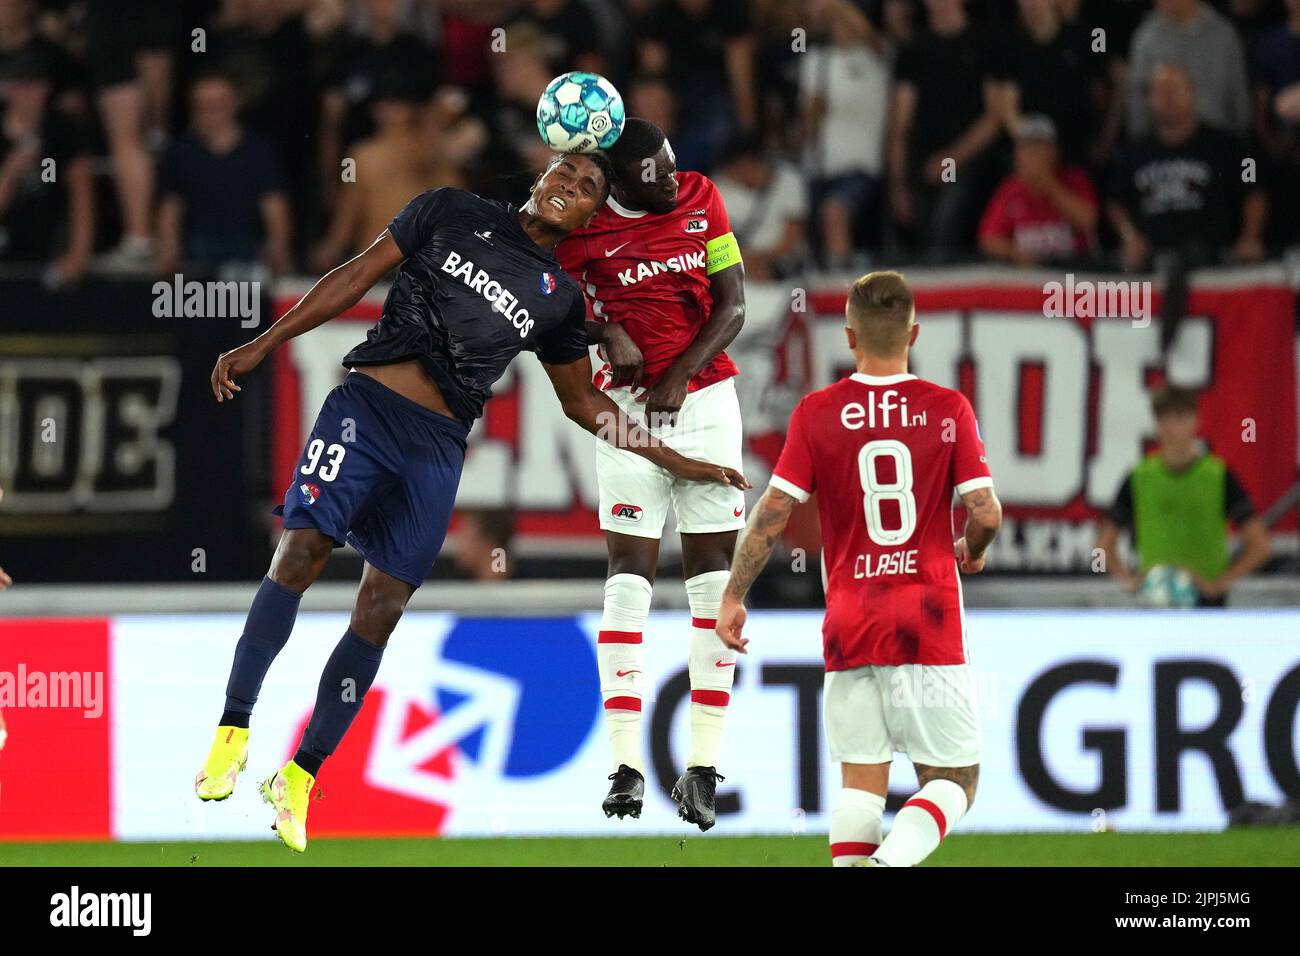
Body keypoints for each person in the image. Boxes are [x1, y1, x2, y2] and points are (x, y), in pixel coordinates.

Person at [193, 152, 748, 853]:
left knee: (380, 611)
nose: (567, 189)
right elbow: (357, 274)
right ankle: (232, 730)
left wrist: (676, 459)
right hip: (365, 412)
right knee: (300, 553)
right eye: (563, 173)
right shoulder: (450, 210)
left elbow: (583, 404)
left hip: (437, 450)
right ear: (540, 176)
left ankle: (299, 777)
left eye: (586, 189)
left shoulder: (558, 299)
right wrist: (265, 342)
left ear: (587, 216)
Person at [715, 270, 1003, 868]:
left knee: (860, 786)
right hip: (925, 617)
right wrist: (972, 548)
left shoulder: (818, 413)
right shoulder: (946, 409)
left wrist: (732, 596)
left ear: (850, 337)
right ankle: (885, 865)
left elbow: (771, 516)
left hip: (849, 617)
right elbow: (985, 510)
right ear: (913, 333)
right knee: (956, 780)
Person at [554, 118, 747, 831]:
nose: (672, 177)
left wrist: (681, 375)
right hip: (625, 418)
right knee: (627, 585)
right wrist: (604, 331)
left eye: (672, 164)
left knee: (711, 585)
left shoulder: (702, 198)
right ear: (625, 181)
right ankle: (626, 767)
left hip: (705, 401)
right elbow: (550, 319)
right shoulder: (580, 233)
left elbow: (734, 304)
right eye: (656, 172)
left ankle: (702, 767)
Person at [1095, 384, 1271, 607]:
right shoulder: (1139, 477)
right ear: (1156, 424)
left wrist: (1220, 583)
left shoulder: (1218, 476)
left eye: (1180, 417)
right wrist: (1126, 580)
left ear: (1195, 421)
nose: (1172, 427)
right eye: (1164, 419)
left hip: (1206, 606)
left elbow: (1260, 546)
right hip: (1154, 604)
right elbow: (1102, 547)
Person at [1108, 63, 1266, 272]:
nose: (1169, 98)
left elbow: (1253, 193)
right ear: (1148, 99)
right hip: (1154, 265)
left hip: (1216, 262)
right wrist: (1129, 237)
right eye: (1161, 91)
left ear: (1192, 94)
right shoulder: (1131, 154)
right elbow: (1114, 201)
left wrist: (1250, 237)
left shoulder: (1227, 146)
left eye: (1175, 89)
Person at [155, 71, 292, 275]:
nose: (210, 113)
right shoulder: (181, 152)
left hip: (247, 252)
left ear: (235, 103)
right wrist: (168, 248)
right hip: (196, 253)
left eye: (217, 105)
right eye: (202, 107)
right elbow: (171, 206)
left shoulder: (258, 152)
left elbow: (274, 203)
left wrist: (279, 245)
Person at [977, 114, 1097, 267]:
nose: (1033, 154)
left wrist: (1049, 186)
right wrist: (1015, 253)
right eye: (1027, 148)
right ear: (1017, 155)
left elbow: (1088, 220)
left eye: (1040, 147)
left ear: (1055, 151)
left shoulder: (1074, 179)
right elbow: (989, 238)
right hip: (1032, 273)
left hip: (1073, 270)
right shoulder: (1010, 189)